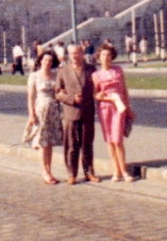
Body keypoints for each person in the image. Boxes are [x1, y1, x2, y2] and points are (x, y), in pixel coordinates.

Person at [54, 43, 98, 184]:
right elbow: (57, 93)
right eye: (72, 53)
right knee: (71, 145)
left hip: (87, 113)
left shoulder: (91, 70)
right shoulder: (63, 71)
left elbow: (97, 88)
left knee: (87, 145)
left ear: (82, 54)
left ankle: (88, 172)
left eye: (77, 53)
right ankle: (71, 173)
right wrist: (71, 99)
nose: (75, 56)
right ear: (68, 55)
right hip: (71, 113)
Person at [92, 44, 133, 182]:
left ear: (112, 57)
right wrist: (101, 95)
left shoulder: (118, 70)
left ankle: (124, 171)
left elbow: (125, 90)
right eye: (103, 55)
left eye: (108, 55)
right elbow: (95, 95)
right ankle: (116, 171)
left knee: (118, 140)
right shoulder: (95, 75)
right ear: (99, 57)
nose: (106, 57)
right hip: (104, 108)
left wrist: (128, 108)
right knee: (110, 141)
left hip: (118, 108)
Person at [26, 51, 64, 184]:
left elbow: (60, 91)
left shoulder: (55, 75)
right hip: (41, 110)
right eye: (45, 60)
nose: (47, 62)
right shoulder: (34, 76)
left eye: (50, 61)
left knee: (50, 142)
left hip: (53, 110)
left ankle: (49, 170)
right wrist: (32, 114)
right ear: (41, 61)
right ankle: (44, 171)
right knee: (42, 141)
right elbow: (31, 96)